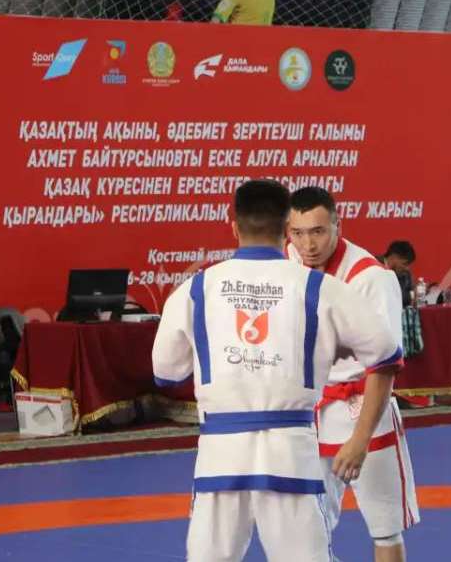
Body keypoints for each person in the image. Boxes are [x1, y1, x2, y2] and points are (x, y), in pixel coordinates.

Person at [152, 179, 401, 562]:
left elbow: (165, 372)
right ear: (287, 227)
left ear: (233, 225)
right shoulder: (319, 288)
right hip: (290, 450)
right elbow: (385, 354)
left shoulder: (195, 289)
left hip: (221, 452)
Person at [287, 187, 419, 562]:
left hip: (362, 406)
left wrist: (360, 440)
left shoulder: (371, 278)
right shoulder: (286, 263)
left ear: (337, 226)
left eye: (317, 231)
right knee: (304, 529)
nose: (307, 244)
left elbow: (385, 364)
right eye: (297, 233)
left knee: (385, 527)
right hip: (308, 408)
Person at [381, 240, 415, 308]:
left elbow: (409, 299)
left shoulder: (406, 274)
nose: (407, 268)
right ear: (394, 257)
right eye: (405, 264)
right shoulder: (373, 268)